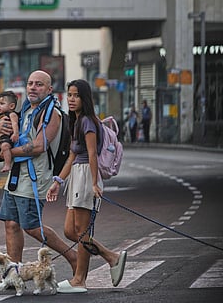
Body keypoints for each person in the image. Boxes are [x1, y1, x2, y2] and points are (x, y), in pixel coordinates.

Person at [0, 70, 78, 289]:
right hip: (16, 176)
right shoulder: (28, 109)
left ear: (49, 90)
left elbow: (38, 147)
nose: (32, 87)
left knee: (32, 227)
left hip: (34, 178)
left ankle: (74, 257)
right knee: (11, 224)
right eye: (30, 83)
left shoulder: (51, 112)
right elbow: (8, 126)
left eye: (39, 84)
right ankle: (13, 276)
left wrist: (6, 154)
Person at [46, 79, 127, 293]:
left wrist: (93, 183)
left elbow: (91, 154)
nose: (71, 99)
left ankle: (79, 280)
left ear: (85, 98)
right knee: (70, 231)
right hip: (76, 176)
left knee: (81, 231)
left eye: (76, 96)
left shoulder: (88, 122)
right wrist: (58, 181)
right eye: (69, 95)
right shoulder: (76, 120)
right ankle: (111, 256)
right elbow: (72, 155)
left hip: (85, 177)